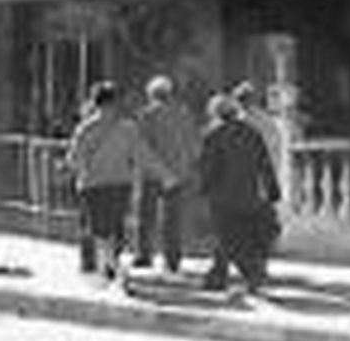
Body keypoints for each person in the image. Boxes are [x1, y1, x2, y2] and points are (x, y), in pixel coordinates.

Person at [66, 81, 175, 283]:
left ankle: (106, 269)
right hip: (119, 185)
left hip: (93, 186)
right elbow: (144, 155)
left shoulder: (86, 129)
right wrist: (165, 174)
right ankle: (110, 267)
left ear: (96, 103)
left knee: (99, 229)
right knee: (115, 229)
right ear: (115, 102)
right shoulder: (128, 128)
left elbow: (73, 159)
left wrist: (86, 169)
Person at [199, 92, 282, 293]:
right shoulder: (252, 133)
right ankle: (218, 276)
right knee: (233, 236)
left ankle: (251, 274)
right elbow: (265, 164)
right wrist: (273, 190)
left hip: (222, 197)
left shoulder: (213, 136)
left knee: (229, 238)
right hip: (249, 192)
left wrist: (203, 190)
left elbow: (208, 168)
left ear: (216, 114)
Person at [135, 75, 200, 274]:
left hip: (154, 173)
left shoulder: (147, 115)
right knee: (173, 219)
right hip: (178, 173)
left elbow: (142, 146)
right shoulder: (184, 114)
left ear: (152, 94)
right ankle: (172, 259)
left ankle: (145, 255)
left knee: (147, 216)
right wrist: (188, 167)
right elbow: (193, 144)